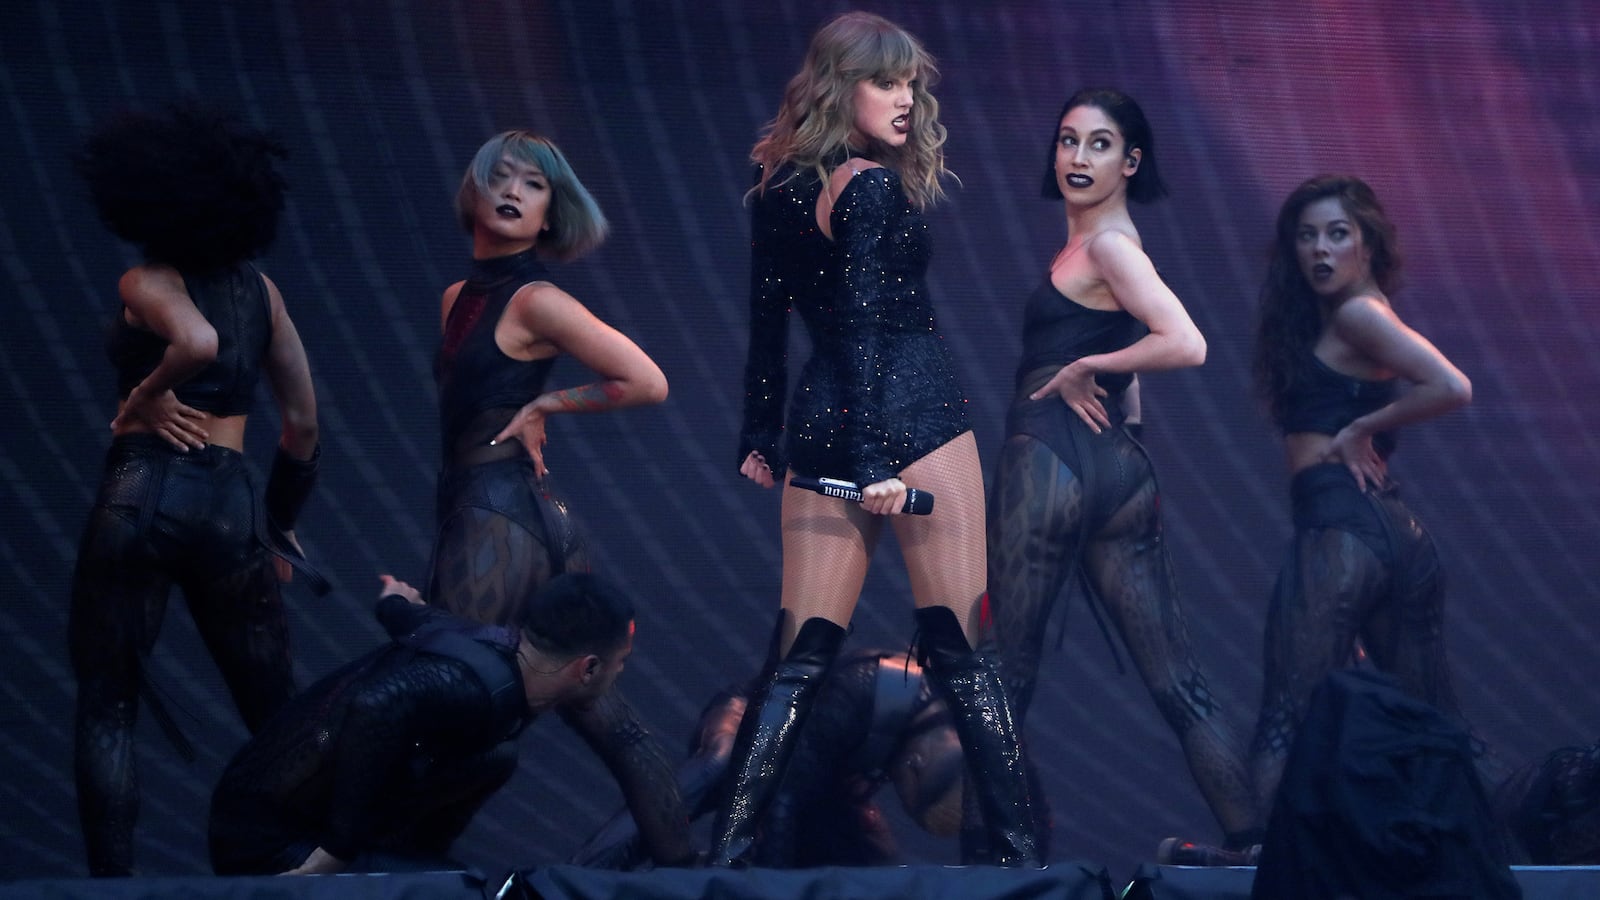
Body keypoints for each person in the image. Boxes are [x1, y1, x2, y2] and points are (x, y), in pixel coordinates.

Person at [721, 11, 1038, 867]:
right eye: (886, 82)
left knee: (795, 661)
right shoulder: (869, 186)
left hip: (821, 419)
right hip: (914, 419)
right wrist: (874, 468)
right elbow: (863, 326)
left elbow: (765, 321)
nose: (906, 100)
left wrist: (760, 429)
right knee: (964, 653)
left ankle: (727, 860)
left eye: (910, 84)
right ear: (839, 85)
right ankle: (1022, 861)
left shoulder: (776, 186)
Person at [982, 88, 1258, 862]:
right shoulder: (1099, 246)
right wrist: (1113, 403)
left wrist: (1087, 365)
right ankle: (1253, 848)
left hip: (1051, 460)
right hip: (1115, 473)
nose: (1076, 158)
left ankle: (987, 868)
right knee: (1178, 682)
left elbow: (1187, 342)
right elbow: (1132, 368)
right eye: (1068, 140)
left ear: (1131, 162)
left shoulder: (1108, 246)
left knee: (1004, 679)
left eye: (1099, 145)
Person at [68, 103, 321, 877]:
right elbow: (304, 426)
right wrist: (275, 523)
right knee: (273, 711)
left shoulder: (146, 278)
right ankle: (291, 871)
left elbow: (196, 341)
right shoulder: (264, 294)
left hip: (141, 491)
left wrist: (145, 396)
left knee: (109, 705)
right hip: (228, 503)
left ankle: (110, 890)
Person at [427, 130, 690, 866]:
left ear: (551, 214)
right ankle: (685, 869)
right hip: (498, 512)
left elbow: (647, 379)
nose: (514, 189)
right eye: (500, 176)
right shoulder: (458, 297)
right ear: (473, 192)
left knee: (447, 705)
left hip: (501, 523)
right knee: (606, 719)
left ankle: (409, 872)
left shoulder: (535, 298)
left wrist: (550, 406)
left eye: (534, 184)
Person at [1243, 173, 1473, 841]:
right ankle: (1486, 855)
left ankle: (1267, 872)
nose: (1320, 250)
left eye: (1337, 234)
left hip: (1340, 533)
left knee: (1288, 718)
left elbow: (1452, 385)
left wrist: (1363, 429)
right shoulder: (1356, 314)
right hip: (1396, 535)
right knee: (1434, 723)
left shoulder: (1359, 314)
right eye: (1307, 236)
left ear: (1367, 245)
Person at [208, 572, 636, 875]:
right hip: (263, 841)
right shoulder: (476, 689)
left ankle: (397, 864)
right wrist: (336, 851)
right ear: (589, 667)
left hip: (281, 817)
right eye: (621, 664)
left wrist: (395, 599)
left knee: (497, 758)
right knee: (456, 890)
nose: (620, 674)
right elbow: (375, 705)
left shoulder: (488, 642)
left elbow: (405, 615)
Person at [573, 648, 973, 869]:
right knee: (722, 762)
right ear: (916, 765)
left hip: (817, 777)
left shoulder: (948, 712)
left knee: (879, 861)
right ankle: (584, 871)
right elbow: (781, 788)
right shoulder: (869, 689)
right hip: (755, 729)